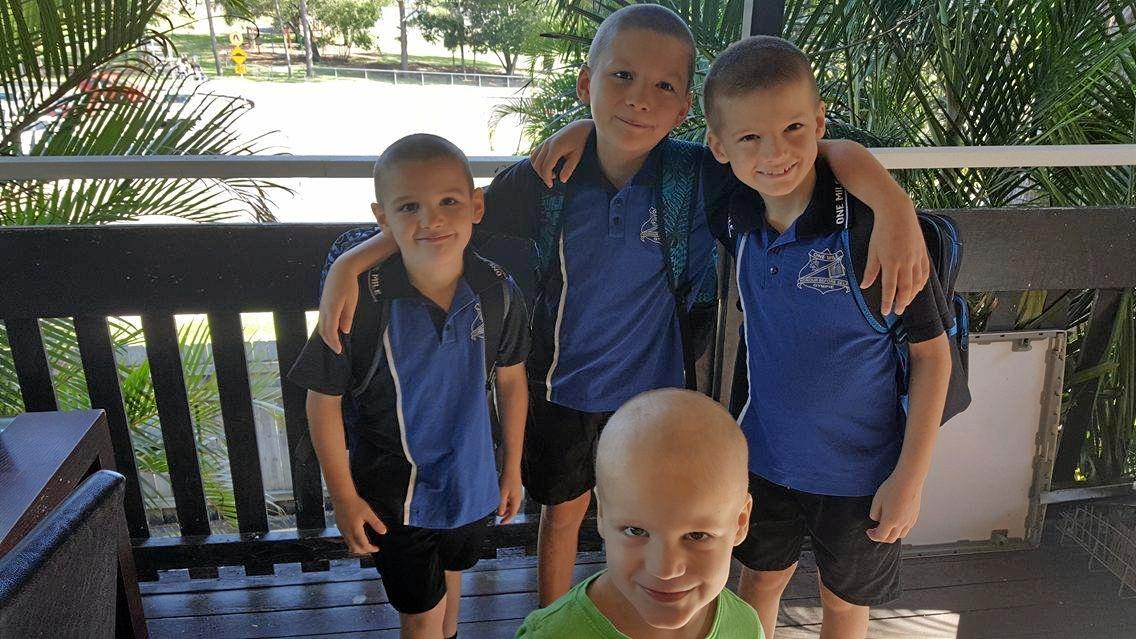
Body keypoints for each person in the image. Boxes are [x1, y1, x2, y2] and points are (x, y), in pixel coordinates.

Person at [315, 4, 929, 607]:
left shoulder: (696, 176)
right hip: (559, 390)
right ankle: (554, 622)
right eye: (622, 77)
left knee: (651, 522)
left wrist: (896, 208)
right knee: (562, 517)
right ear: (587, 83)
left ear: (686, 108)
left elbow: (810, 148)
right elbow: (443, 214)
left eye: (663, 85)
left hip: (656, 397)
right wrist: (353, 261)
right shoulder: (544, 181)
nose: (639, 99)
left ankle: (635, 618)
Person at [698, 36, 953, 639]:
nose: (775, 153)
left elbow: (932, 358)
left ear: (818, 121)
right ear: (720, 146)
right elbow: (638, 144)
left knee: (843, 603)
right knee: (757, 583)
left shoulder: (873, 232)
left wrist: (908, 482)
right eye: (751, 139)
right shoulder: (734, 209)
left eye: (793, 129)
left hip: (864, 474)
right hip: (764, 458)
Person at [287, 133, 530, 639]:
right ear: (383, 218)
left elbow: (511, 381)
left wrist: (510, 467)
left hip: (473, 484)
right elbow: (322, 401)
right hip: (394, 497)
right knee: (420, 618)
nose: (431, 220)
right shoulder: (362, 301)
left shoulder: (497, 290)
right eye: (409, 207)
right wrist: (345, 497)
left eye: (448, 202)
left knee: (451, 579)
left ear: (475, 206)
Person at [517, 388, 762, 638]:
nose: (664, 569)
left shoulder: (746, 627)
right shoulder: (551, 635)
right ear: (602, 514)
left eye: (697, 535)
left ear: (740, 522)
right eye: (636, 531)